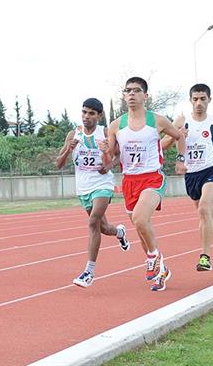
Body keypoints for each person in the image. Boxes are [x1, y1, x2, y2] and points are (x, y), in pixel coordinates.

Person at [102, 77, 186, 292]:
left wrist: (180, 159)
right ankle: (162, 269)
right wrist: (104, 152)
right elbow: (110, 158)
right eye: (128, 90)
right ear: (123, 95)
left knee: (140, 218)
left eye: (137, 90)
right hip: (129, 181)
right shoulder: (115, 125)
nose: (131, 94)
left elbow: (179, 136)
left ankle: (153, 256)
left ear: (145, 96)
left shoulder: (157, 120)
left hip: (152, 178)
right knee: (140, 229)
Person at [162, 83, 213, 272]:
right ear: (190, 100)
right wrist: (176, 136)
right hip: (191, 174)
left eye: (203, 99)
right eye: (195, 99)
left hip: (212, 170)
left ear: (209, 100)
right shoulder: (181, 120)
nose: (199, 103)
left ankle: (205, 257)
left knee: (204, 207)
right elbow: (163, 144)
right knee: (208, 215)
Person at [55, 97, 130, 288]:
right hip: (83, 188)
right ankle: (119, 232)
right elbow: (58, 164)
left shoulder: (104, 132)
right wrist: (67, 151)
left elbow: (120, 154)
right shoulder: (73, 134)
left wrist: (109, 165)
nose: (86, 117)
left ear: (99, 115)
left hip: (102, 184)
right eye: (84, 112)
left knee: (93, 222)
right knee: (103, 228)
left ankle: (89, 271)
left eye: (91, 113)